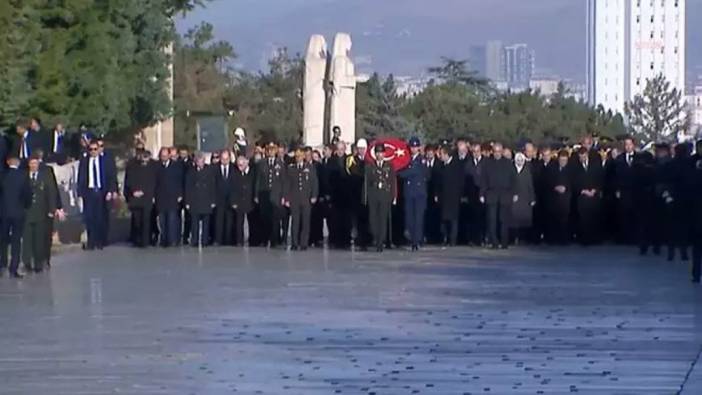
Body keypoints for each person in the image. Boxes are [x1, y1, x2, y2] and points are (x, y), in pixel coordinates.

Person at [77, 141, 116, 250]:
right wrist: (80, 193)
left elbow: (111, 176)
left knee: (100, 217)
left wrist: (111, 191)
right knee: (89, 217)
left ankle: (100, 241)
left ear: (99, 149)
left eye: (95, 149)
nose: (93, 152)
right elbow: (81, 177)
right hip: (89, 192)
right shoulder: (85, 161)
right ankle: (91, 241)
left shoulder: (105, 161)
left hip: (101, 192)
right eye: (91, 149)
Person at [22, 156, 58, 272]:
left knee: (39, 239)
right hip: (27, 212)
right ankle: (27, 262)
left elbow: (51, 194)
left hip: (41, 212)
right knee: (27, 239)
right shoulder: (24, 177)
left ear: (38, 164)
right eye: (31, 163)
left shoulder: (45, 177)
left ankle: (39, 263)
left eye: (35, 163)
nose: (33, 166)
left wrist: (52, 210)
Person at [480, 143, 517, 249]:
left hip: (505, 194)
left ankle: (504, 242)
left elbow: (513, 179)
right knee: (492, 220)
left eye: (499, 151)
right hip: (491, 194)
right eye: (495, 151)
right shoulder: (487, 163)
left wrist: (514, 193)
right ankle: (494, 242)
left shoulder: (508, 163)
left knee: (504, 220)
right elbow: (484, 180)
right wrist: (482, 194)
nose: (497, 154)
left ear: (502, 151)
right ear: (493, 151)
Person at [0, 156, 31, 278]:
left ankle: (2, 264)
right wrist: (25, 206)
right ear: (18, 163)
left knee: (2, 239)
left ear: (8, 162)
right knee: (16, 241)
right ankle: (14, 268)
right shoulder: (23, 176)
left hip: (3, 213)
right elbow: (27, 194)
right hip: (18, 212)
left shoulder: (3, 175)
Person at [399, 137, 430, 251]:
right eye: (412, 147)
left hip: (419, 193)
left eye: (415, 147)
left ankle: (416, 241)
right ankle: (413, 239)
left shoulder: (421, 160)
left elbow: (410, 172)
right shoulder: (407, 160)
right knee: (410, 218)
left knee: (418, 218)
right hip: (409, 192)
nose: (413, 149)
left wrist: (398, 172)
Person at [284, 148, 319, 250]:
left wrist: (314, 195)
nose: (298, 158)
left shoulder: (310, 168)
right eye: (296, 156)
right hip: (294, 199)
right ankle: (295, 243)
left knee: (305, 222)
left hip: (306, 198)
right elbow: (287, 185)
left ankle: (304, 243)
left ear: (304, 156)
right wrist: (286, 198)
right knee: (295, 221)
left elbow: (314, 183)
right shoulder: (291, 169)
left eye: (300, 156)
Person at [365, 144, 396, 252]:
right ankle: (376, 236)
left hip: (384, 195)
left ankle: (380, 242)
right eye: (377, 153)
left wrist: (394, 196)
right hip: (373, 194)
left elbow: (392, 181)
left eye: (381, 153)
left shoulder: (389, 166)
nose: (379, 155)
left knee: (383, 219)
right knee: (373, 219)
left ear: (384, 154)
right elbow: (366, 183)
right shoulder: (370, 166)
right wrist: (365, 197)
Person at [255, 142, 286, 248]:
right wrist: (256, 195)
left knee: (275, 219)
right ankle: (265, 239)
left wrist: (283, 196)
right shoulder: (262, 163)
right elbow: (258, 180)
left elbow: (283, 181)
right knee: (264, 217)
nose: (271, 152)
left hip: (276, 194)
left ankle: (275, 240)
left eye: (273, 150)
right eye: (269, 150)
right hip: (264, 193)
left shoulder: (280, 163)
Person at [124, 151, 157, 248]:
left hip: (147, 197)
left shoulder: (153, 168)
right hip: (135, 198)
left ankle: (145, 242)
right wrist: (133, 191)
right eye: (143, 157)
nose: (144, 159)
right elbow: (129, 180)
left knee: (146, 220)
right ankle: (137, 239)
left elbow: (153, 182)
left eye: (146, 157)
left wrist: (146, 192)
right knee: (137, 220)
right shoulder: (133, 167)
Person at [572, 147, 604, 245]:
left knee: (594, 217)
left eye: (584, 156)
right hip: (582, 196)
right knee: (583, 219)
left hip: (594, 196)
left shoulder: (595, 165)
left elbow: (600, 179)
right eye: (580, 157)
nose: (582, 159)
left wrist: (595, 190)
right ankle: (584, 239)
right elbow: (573, 182)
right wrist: (582, 190)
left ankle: (595, 239)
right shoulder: (575, 167)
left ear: (587, 155)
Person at [434, 145, 465, 247]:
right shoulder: (441, 166)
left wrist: (461, 195)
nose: (440, 156)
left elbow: (461, 182)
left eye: (441, 154)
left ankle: (453, 240)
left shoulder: (457, 165)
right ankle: (445, 238)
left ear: (447, 154)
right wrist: (437, 194)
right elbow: (438, 182)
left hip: (453, 197)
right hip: (443, 197)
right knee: (443, 219)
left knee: (453, 220)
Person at [185, 153, 216, 247]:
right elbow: (187, 188)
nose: (200, 163)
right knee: (194, 223)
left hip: (206, 200)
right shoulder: (190, 172)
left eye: (202, 161)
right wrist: (187, 202)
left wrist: (213, 201)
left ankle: (205, 241)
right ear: (196, 162)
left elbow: (213, 187)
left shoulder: (210, 171)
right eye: (198, 161)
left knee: (206, 223)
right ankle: (194, 240)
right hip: (195, 201)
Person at [155, 147, 184, 247]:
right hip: (161, 197)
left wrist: (180, 194)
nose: (164, 157)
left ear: (169, 156)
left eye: (165, 155)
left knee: (172, 219)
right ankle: (164, 240)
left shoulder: (176, 166)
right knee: (162, 220)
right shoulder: (157, 166)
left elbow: (180, 181)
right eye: (162, 156)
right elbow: (154, 182)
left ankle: (172, 240)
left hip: (173, 197)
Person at [545, 150, 572, 245]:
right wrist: (555, 187)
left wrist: (566, 187)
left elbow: (574, 182)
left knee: (565, 219)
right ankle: (553, 239)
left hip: (566, 198)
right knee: (553, 218)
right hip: (554, 198)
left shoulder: (571, 169)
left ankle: (564, 239)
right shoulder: (552, 168)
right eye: (561, 160)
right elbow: (547, 181)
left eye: (565, 160)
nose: (563, 162)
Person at [511, 153, 536, 244]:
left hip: (525, 198)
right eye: (518, 160)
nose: (520, 162)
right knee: (513, 219)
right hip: (514, 198)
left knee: (524, 219)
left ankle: (523, 238)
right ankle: (514, 238)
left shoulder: (527, 170)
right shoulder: (511, 170)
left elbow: (530, 185)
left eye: (521, 160)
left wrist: (532, 198)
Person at [231, 155, 255, 246]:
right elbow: (232, 189)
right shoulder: (235, 173)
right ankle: (239, 241)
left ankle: (253, 240)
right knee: (239, 223)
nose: (239, 167)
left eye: (241, 165)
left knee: (252, 222)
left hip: (250, 201)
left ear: (246, 163)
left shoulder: (253, 172)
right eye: (238, 165)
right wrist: (233, 202)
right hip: (239, 201)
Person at [465, 143, 487, 246]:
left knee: (483, 217)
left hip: (483, 193)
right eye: (473, 152)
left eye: (477, 151)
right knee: (473, 217)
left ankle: (483, 238)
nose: (475, 153)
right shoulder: (468, 163)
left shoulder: (486, 162)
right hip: (472, 194)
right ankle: (474, 239)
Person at [214, 149, 235, 246]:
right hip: (219, 199)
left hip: (231, 199)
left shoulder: (234, 169)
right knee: (218, 221)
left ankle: (228, 240)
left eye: (227, 159)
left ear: (230, 159)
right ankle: (218, 240)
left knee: (229, 221)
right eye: (223, 159)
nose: (225, 161)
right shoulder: (214, 169)